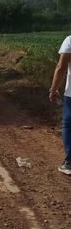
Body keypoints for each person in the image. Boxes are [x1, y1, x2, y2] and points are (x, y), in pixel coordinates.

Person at [49, 35, 71, 175]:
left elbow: (61, 66)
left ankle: (69, 162)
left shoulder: (70, 40)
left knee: (68, 125)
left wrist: (54, 89)